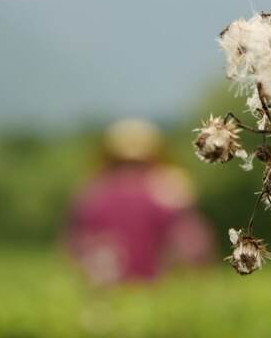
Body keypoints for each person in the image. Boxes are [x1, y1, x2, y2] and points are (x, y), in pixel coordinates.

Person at [65, 119, 215, 285]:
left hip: (104, 293)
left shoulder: (91, 192)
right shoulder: (172, 191)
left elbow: (74, 247)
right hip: (161, 292)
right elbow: (196, 250)